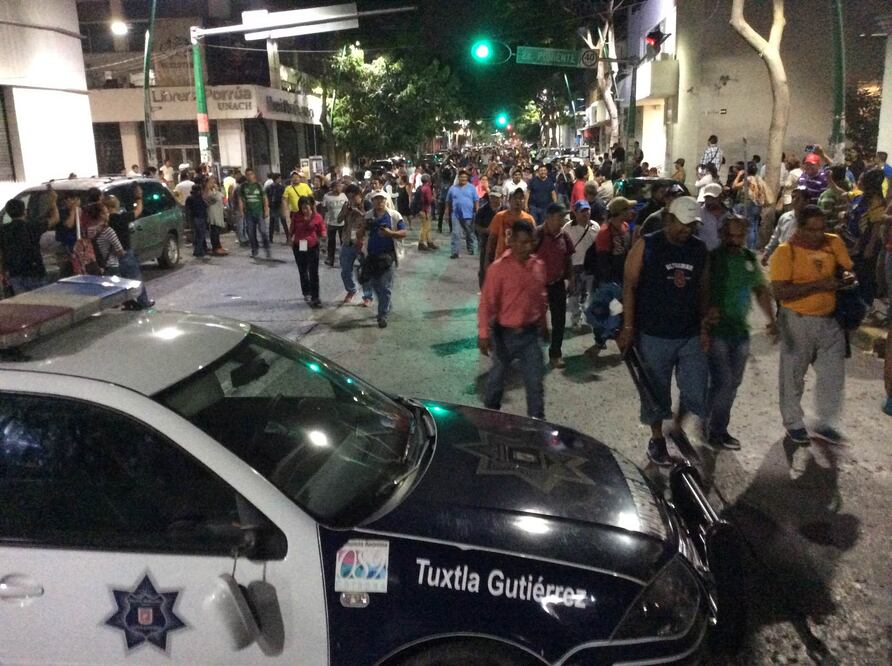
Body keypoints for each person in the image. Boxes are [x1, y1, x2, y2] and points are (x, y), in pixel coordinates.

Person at [618, 196, 710, 466]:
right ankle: (657, 439)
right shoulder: (648, 245)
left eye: (692, 225)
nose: (688, 230)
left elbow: (704, 288)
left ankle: (677, 426)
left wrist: (704, 324)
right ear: (669, 220)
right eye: (683, 224)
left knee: (695, 389)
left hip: (690, 332)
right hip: (654, 333)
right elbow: (629, 285)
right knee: (654, 392)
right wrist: (628, 327)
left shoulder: (699, 249)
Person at [769, 205, 854, 476]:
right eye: (812, 229)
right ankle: (793, 422)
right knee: (793, 372)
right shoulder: (786, 252)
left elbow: (846, 270)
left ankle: (826, 422)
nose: (818, 234)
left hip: (830, 320)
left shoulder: (834, 243)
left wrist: (848, 278)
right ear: (800, 227)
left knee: (833, 373)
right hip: (797, 321)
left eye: (822, 228)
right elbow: (781, 291)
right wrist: (819, 286)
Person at [705, 216, 777, 450]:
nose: (735, 241)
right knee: (724, 383)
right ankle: (717, 430)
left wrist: (771, 319)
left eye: (740, 236)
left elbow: (760, 290)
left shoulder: (748, 259)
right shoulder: (712, 259)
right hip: (717, 331)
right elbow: (701, 289)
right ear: (722, 235)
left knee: (732, 383)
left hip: (740, 332)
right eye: (731, 236)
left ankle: (708, 417)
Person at [478, 219, 548, 419]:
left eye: (530, 242)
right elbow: (486, 303)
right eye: (523, 242)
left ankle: (536, 425)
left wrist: (543, 323)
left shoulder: (538, 266)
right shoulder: (498, 269)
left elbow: (541, 298)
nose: (528, 246)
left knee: (535, 384)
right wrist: (483, 334)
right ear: (512, 241)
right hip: (503, 335)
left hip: (530, 335)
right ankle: (490, 420)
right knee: (496, 382)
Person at [357, 191, 408, 328]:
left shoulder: (394, 215)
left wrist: (390, 233)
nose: (379, 202)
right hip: (371, 256)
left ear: (386, 201)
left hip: (388, 257)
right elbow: (359, 235)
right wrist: (364, 227)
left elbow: (404, 233)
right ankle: (386, 305)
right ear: (372, 201)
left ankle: (382, 316)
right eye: (376, 200)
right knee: (375, 286)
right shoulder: (367, 215)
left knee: (385, 287)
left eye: (381, 199)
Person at [535, 203, 575, 369]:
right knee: (534, 322)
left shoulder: (564, 236)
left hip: (556, 285)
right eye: (560, 217)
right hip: (537, 287)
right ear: (549, 217)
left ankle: (555, 354)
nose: (563, 221)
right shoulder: (536, 234)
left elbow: (568, 259)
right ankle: (531, 355)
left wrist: (571, 279)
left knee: (559, 321)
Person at [845, 168, 887, 314]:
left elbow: (875, 226)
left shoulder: (877, 201)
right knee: (857, 272)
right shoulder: (864, 197)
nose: (859, 181)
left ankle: (866, 305)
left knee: (866, 275)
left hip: (870, 243)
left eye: (863, 180)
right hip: (859, 241)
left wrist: (869, 246)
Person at [101, 194, 153, 309]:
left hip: (111, 257)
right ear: (115, 205)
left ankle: (128, 303)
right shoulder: (122, 218)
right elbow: (138, 211)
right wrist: (139, 197)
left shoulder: (105, 222)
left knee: (121, 282)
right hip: (125, 253)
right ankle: (143, 302)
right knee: (135, 278)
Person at [0, 196, 58, 295]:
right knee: (41, 303)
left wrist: (3, 271)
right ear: (25, 211)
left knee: (24, 306)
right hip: (35, 272)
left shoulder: (3, 230)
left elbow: (1, 253)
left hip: (15, 273)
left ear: (9, 214)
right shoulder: (32, 226)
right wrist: (53, 202)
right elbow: (55, 219)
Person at [563, 199, 598, 329]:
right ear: (575, 213)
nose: (586, 214)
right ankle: (576, 318)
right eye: (582, 211)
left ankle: (590, 318)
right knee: (574, 295)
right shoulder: (567, 228)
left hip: (591, 267)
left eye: (587, 210)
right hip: (575, 266)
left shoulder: (595, 227)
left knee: (590, 295)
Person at [337, 184, 374, 305]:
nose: (351, 200)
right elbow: (339, 219)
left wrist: (358, 212)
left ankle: (367, 296)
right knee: (345, 270)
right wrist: (345, 212)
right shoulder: (347, 206)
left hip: (362, 242)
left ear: (360, 195)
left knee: (365, 270)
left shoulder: (368, 205)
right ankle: (351, 289)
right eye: (349, 197)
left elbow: (372, 221)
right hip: (348, 242)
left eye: (353, 197)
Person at [289, 196, 326, 308]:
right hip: (300, 245)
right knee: (303, 270)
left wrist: (323, 237)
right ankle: (307, 292)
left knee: (313, 272)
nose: (304, 210)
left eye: (306, 207)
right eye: (302, 208)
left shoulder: (317, 217)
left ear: (311, 206)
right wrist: (290, 238)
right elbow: (292, 229)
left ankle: (316, 297)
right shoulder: (296, 216)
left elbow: (322, 229)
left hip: (312, 245)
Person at [485, 188, 536, 267]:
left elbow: (533, 241)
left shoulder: (529, 219)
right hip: (501, 260)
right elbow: (492, 240)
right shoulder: (500, 216)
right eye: (515, 198)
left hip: (521, 262)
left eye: (521, 198)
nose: (518, 201)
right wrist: (487, 261)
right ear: (509, 200)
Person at [762, 185, 808, 266]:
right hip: (784, 258)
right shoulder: (785, 217)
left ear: (806, 201)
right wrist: (767, 253)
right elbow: (776, 237)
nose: (794, 201)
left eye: (798, 198)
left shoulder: (809, 220)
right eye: (793, 197)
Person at [731, 162, 768, 249]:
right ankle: (753, 247)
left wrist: (739, 175)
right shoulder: (758, 179)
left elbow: (734, 186)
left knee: (749, 227)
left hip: (750, 204)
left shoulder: (748, 179)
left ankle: (749, 247)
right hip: (758, 205)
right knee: (755, 227)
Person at [444, 169, 479, 259]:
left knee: (469, 233)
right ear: (458, 178)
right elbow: (448, 201)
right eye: (461, 177)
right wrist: (447, 212)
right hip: (456, 215)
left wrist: (477, 211)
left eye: (465, 177)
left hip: (469, 215)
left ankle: (470, 248)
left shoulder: (472, 188)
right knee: (455, 233)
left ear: (467, 178)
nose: (463, 178)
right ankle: (455, 252)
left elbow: (476, 200)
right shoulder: (453, 188)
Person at [474, 187, 504, 288]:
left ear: (501, 198)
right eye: (492, 197)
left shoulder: (506, 210)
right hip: (486, 242)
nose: (494, 199)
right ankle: (483, 289)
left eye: (496, 197)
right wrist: (486, 230)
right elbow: (476, 226)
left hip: (502, 243)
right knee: (484, 267)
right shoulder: (483, 210)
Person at [239, 168, 270, 259]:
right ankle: (254, 249)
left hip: (259, 212)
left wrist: (266, 210)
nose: (249, 176)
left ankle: (267, 248)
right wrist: (241, 211)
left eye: (251, 174)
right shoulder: (243, 187)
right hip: (249, 213)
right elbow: (240, 199)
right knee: (251, 233)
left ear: (254, 175)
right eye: (247, 174)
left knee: (263, 231)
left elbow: (265, 198)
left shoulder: (259, 185)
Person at [322, 180, 347, 267]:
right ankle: (330, 259)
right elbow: (324, 209)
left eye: (340, 186)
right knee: (331, 242)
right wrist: (323, 221)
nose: (339, 188)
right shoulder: (327, 196)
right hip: (331, 222)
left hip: (343, 223)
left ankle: (344, 259)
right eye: (337, 186)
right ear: (332, 187)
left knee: (343, 242)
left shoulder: (344, 196)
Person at [697, 183, 726, 251]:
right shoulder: (699, 214)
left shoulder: (729, 213)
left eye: (713, 198)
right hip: (704, 252)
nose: (709, 202)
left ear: (720, 198)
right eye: (707, 198)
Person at [184, 180, 209, 258]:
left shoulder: (190, 198)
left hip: (196, 218)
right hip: (198, 218)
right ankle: (198, 251)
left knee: (199, 235)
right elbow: (205, 206)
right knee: (200, 235)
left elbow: (187, 210)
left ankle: (201, 249)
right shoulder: (197, 198)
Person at [205, 177, 228, 256]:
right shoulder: (207, 192)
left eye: (214, 182)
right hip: (213, 213)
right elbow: (213, 199)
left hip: (218, 212)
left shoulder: (214, 190)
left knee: (217, 231)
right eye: (211, 182)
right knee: (214, 231)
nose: (213, 184)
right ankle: (216, 248)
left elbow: (221, 196)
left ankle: (219, 246)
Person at [265, 173, 288, 244]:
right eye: (279, 178)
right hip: (273, 206)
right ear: (276, 179)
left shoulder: (281, 187)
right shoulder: (271, 187)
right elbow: (267, 196)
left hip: (279, 206)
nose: (280, 180)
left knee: (283, 222)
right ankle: (270, 238)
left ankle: (288, 237)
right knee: (273, 222)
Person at [417, 174, 436, 252]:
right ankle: (421, 243)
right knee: (426, 227)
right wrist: (434, 196)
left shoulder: (421, 187)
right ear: (428, 180)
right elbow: (429, 200)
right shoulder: (427, 188)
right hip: (425, 210)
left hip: (420, 210)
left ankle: (429, 242)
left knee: (426, 226)